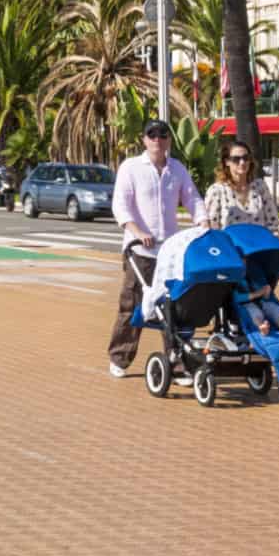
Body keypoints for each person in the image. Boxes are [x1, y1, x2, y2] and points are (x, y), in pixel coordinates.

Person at [108, 121, 206, 378]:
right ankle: (120, 357)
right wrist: (137, 231)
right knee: (133, 305)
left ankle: (177, 362)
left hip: (170, 253)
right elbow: (121, 204)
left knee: (174, 307)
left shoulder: (177, 169)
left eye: (163, 135)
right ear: (144, 139)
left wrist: (203, 222)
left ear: (169, 141)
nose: (157, 140)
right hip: (140, 251)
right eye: (152, 135)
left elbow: (193, 198)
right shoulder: (131, 168)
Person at [202, 139, 279, 334]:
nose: (242, 163)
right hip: (232, 254)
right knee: (238, 293)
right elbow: (211, 226)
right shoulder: (217, 190)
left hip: (259, 254)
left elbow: (272, 222)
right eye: (236, 159)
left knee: (265, 293)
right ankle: (241, 322)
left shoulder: (259, 187)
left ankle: (276, 321)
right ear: (226, 162)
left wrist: (276, 250)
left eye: (246, 158)